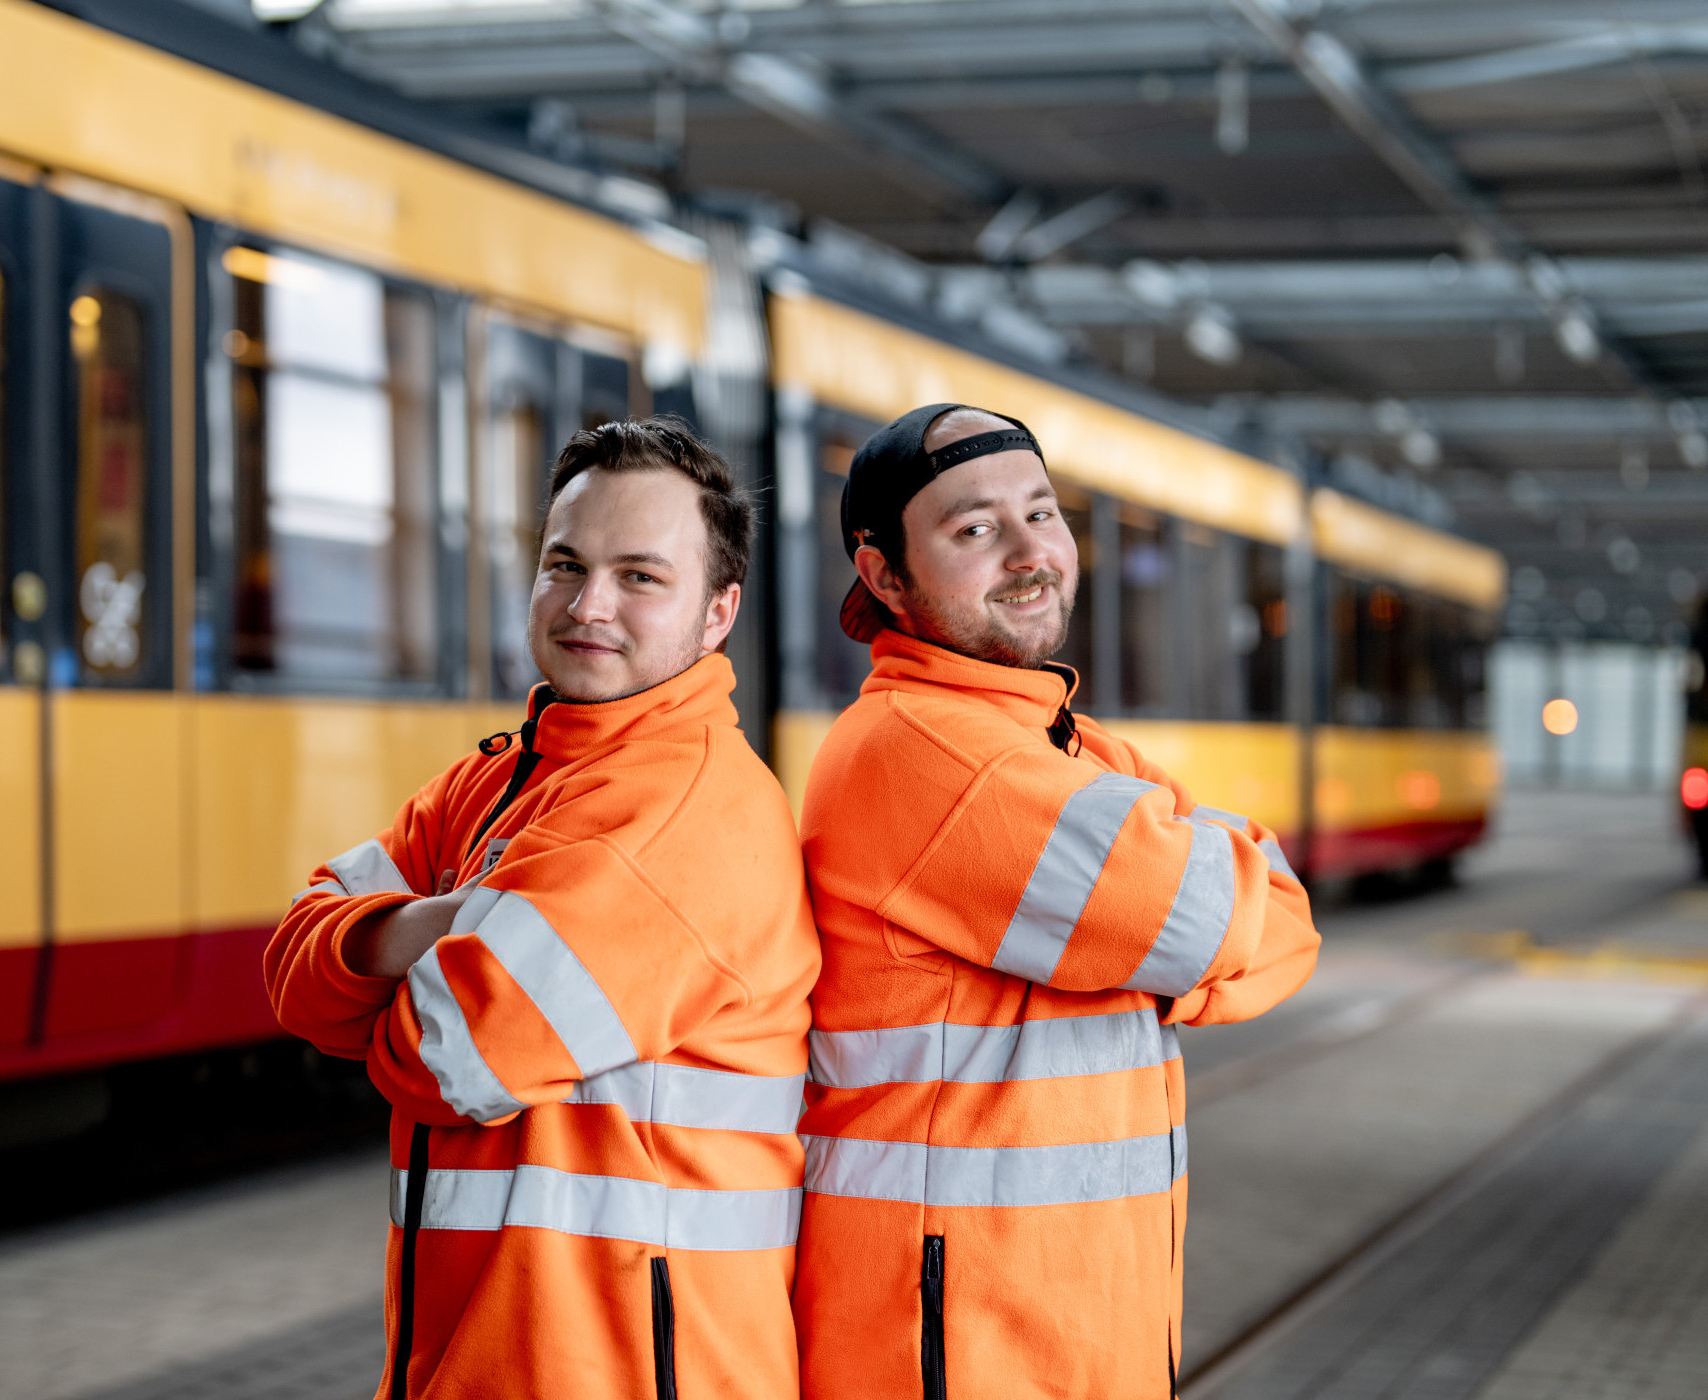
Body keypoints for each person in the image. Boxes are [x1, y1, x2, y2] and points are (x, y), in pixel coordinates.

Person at [265, 417, 818, 1400]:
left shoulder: (689, 806)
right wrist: (461, 921)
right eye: (566, 564)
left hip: (631, 1371)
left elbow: (442, 1056)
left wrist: (394, 947)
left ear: (717, 613)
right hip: (475, 1361)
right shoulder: (495, 779)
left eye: (640, 576)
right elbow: (292, 974)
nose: (588, 604)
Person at [792, 404, 1322, 1399]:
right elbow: (1219, 917)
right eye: (974, 528)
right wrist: (1170, 956)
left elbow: (1288, 925)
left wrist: (1157, 961)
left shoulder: (1066, 743)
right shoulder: (932, 752)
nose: (1030, 553)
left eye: (1042, 513)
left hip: (1069, 1319)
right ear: (884, 575)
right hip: (954, 1344)